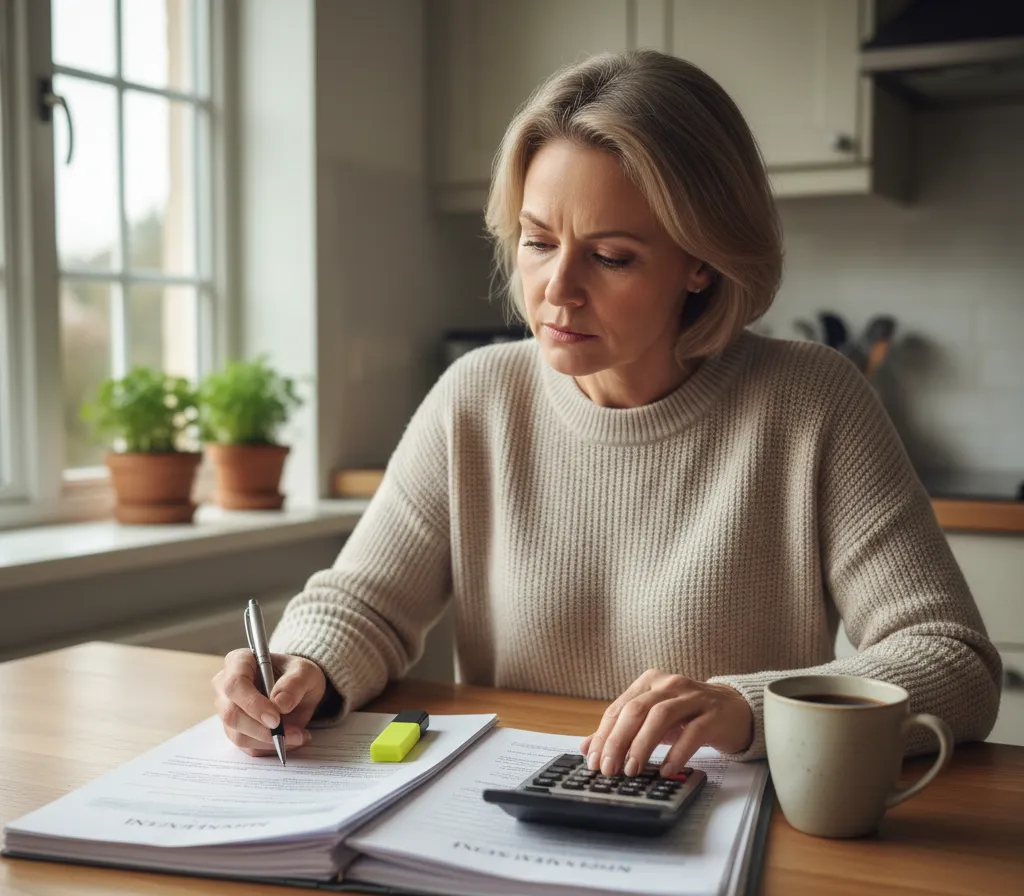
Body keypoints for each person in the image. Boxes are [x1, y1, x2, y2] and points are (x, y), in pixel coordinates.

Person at [211, 50, 1000, 778]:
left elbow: (953, 661)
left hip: (722, 829)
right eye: (536, 240)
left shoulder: (812, 403)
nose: (557, 287)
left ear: (700, 262)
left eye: (612, 255)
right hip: (502, 812)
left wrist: (743, 707)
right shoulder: (477, 397)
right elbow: (365, 604)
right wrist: (301, 668)